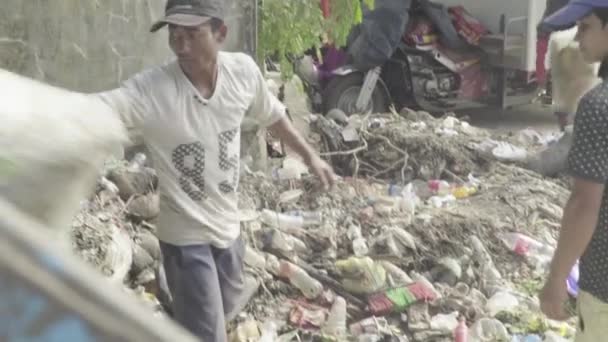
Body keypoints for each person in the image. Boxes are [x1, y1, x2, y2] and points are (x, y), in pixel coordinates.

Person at [94, 0, 336, 341]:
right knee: (210, 333)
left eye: (192, 33)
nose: (181, 44)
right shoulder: (153, 90)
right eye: (174, 34)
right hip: (185, 239)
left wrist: (311, 157)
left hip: (228, 229)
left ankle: (174, 297)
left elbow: (274, 116)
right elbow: (100, 108)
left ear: (221, 33)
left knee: (221, 308)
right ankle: (179, 292)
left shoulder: (242, 73)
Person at [538, 1, 608, 341]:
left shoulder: (599, 106)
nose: (577, 38)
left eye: (585, 27)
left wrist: (556, 280)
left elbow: (584, 204)